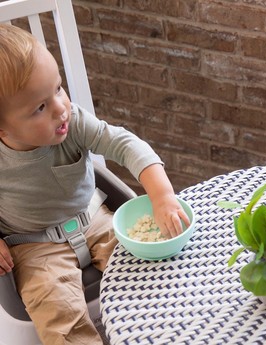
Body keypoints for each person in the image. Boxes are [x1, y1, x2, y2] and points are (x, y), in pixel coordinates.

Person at [0, 24, 190, 345]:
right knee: (60, 315)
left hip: (96, 219)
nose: (61, 108)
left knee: (151, 275)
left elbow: (124, 144)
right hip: (34, 247)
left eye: (58, 89)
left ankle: (159, 334)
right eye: (40, 107)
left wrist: (162, 195)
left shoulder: (72, 122)